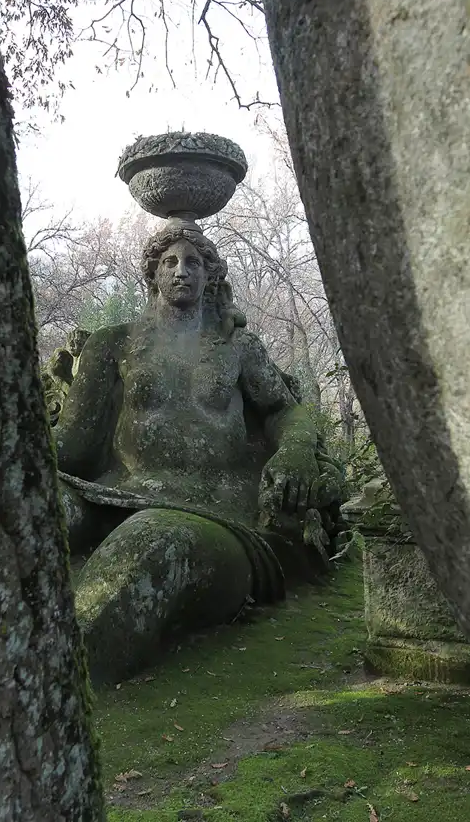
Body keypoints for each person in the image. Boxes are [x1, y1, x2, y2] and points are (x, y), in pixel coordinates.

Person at [52, 219, 345, 682]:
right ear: (152, 275)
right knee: (32, 510)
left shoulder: (236, 346)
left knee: (149, 542)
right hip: (110, 496)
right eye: (169, 262)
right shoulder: (114, 344)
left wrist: (295, 453)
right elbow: (68, 443)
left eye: (193, 262)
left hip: (211, 515)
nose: (181, 271)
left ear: (210, 276)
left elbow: (286, 412)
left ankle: (57, 679)